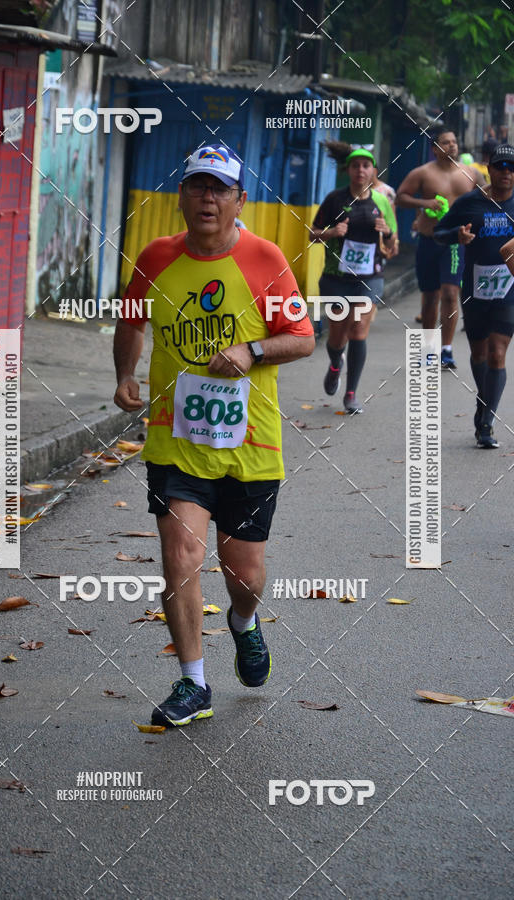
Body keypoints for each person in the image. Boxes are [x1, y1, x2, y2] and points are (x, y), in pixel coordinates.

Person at [113, 143, 315, 726]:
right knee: (181, 557)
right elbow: (131, 320)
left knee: (243, 573)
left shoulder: (263, 257)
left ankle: (243, 622)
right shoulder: (154, 257)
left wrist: (253, 350)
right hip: (176, 441)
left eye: (220, 188)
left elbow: (301, 337)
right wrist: (125, 374)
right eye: (198, 185)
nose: (208, 197)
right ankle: (192, 683)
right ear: (181, 195)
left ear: (238, 200)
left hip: (250, 444)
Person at [434, 144, 514, 448]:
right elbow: (439, 233)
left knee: (497, 353)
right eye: (500, 166)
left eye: (512, 168)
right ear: (489, 169)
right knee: (479, 355)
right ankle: (485, 402)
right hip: (475, 290)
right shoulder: (470, 202)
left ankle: (486, 422)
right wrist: (457, 236)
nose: (506, 172)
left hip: (509, 290)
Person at [309, 146, 397, 413]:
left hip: (370, 277)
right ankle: (336, 363)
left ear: (373, 171)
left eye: (366, 166)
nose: (361, 170)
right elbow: (312, 234)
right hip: (337, 278)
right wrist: (332, 231)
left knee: (358, 329)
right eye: (355, 165)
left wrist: (388, 232)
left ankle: (351, 394)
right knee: (337, 338)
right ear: (348, 170)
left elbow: (394, 247)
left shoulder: (383, 202)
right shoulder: (334, 199)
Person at [396, 128, 486, 366]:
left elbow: (491, 200)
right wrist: (425, 202)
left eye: (454, 141)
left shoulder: (471, 174)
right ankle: (429, 347)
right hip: (430, 240)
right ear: (435, 149)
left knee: (450, 293)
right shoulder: (422, 173)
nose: (452, 146)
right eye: (446, 143)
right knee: (430, 297)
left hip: (456, 243)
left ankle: (446, 349)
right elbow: (401, 197)